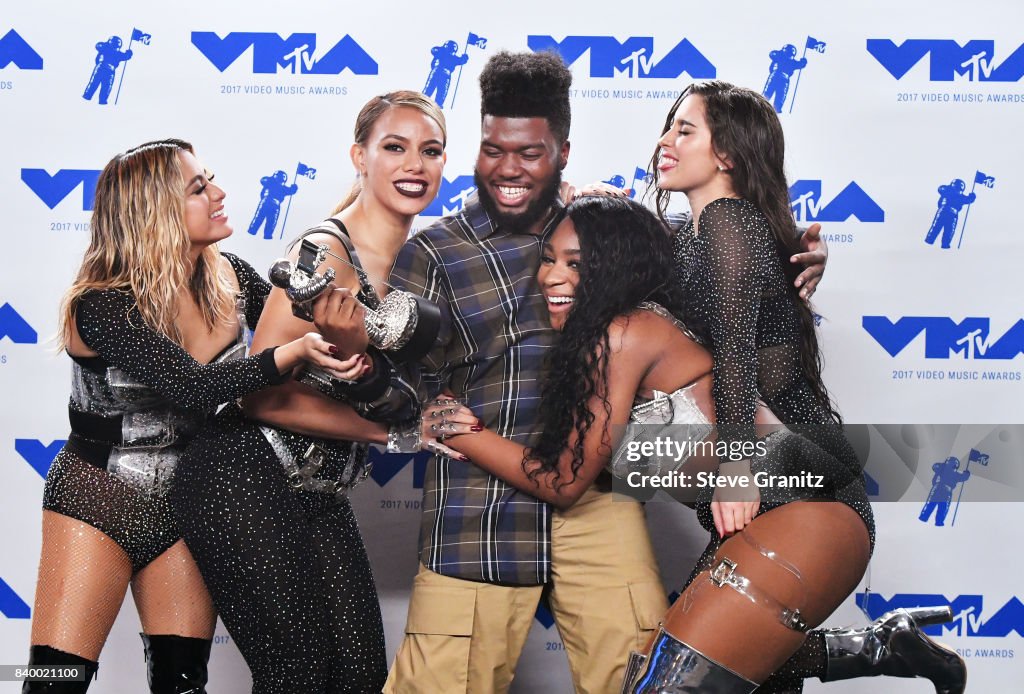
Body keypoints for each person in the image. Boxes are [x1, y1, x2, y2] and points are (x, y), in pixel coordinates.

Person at [373, 52, 828, 694]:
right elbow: (400, 381)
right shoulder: (434, 251)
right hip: (482, 508)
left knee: (647, 678)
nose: (510, 166)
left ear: (562, 149)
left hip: (598, 497)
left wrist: (799, 258)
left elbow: (731, 255)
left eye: (531, 150)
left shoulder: (614, 230)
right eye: (495, 147)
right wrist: (427, 414)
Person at [642, 80, 964, 693]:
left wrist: (736, 468)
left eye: (685, 130)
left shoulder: (729, 226)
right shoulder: (695, 232)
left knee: (687, 670)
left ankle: (876, 648)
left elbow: (734, 354)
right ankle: (877, 647)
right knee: (725, 664)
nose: (665, 140)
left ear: (729, 154)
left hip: (801, 490)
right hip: (780, 488)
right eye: (668, 126)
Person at [24, 138, 355, 693]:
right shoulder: (102, 303)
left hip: (188, 495)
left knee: (182, 683)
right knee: (53, 680)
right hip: (100, 494)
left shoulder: (231, 276)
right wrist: (289, 354)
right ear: (153, 212)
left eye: (211, 180)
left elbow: (303, 320)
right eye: (199, 188)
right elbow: (196, 387)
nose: (219, 193)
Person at [170, 91, 447, 694]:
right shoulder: (325, 252)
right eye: (394, 147)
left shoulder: (418, 258)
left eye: (430, 151)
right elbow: (258, 396)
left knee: (357, 675)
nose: (414, 165)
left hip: (319, 487)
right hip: (242, 473)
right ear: (360, 156)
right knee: (296, 673)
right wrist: (393, 433)